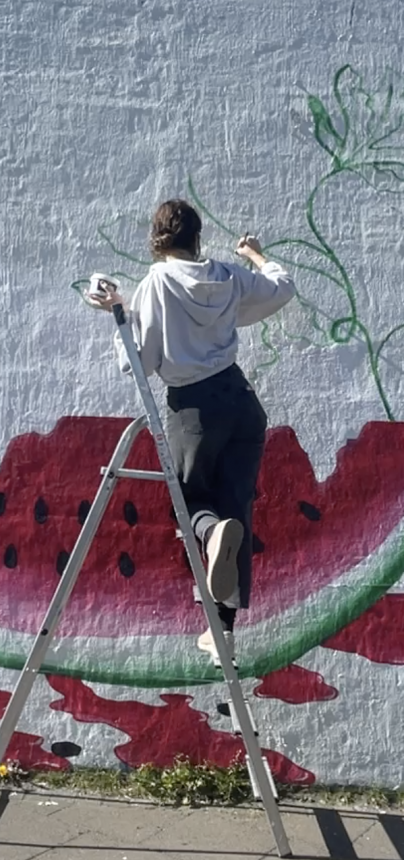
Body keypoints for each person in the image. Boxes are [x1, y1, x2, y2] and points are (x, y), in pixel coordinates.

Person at [89, 199, 296, 665]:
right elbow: (281, 288)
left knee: (190, 502)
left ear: (156, 238)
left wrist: (118, 312)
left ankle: (210, 533)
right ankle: (222, 633)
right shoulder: (225, 275)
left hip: (193, 409)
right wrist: (256, 255)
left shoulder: (156, 283)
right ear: (197, 238)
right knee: (236, 507)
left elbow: (138, 363)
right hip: (243, 403)